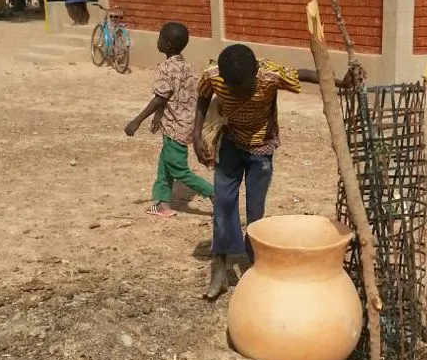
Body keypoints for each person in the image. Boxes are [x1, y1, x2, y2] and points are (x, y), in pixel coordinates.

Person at [192, 44, 353, 299]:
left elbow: (304, 74)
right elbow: (202, 99)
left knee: (255, 211)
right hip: (231, 142)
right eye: (234, 90)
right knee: (223, 201)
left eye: (245, 89)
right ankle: (220, 266)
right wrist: (196, 135)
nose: (240, 94)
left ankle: (256, 263)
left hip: (260, 148)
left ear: (256, 74)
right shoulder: (213, 75)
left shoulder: (269, 75)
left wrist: (342, 83)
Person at [125, 22, 213, 218]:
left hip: (175, 128)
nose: (158, 40)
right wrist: (159, 117)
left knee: (179, 171)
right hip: (185, 125)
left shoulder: (166, 68)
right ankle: (163, 203)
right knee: (164, 164)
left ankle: (214, 193)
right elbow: (171, 96)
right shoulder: (187, 67)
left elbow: (160, 98)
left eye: (160, 37)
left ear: (168, 44)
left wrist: (137, 121)